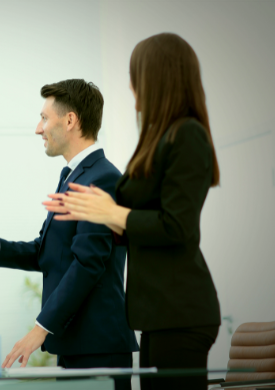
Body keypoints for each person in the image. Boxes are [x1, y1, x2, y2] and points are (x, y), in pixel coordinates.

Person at [45, 33, 221, 390]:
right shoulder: (157, 137)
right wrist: (92, 216)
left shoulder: (187, 135)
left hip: (181, 311)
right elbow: (136, 226)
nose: (131, 85)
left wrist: (111, 212)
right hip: (155, 313)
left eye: (136, 75)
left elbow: (176, 226)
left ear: (159, 77)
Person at [0, 80, 138, 389]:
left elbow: (88, 264)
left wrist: (40, 328)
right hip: (75, 343)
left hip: (98, 346)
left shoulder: (102, 178)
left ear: (69, 121)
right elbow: (49, 252)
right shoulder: (73, 175)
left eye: (44, 118)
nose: (38, 129)